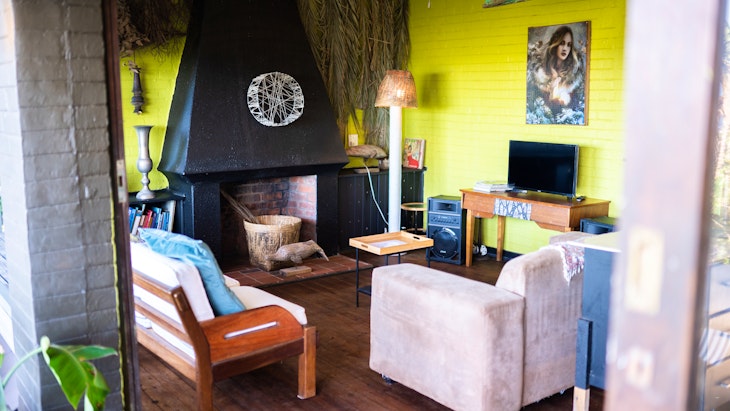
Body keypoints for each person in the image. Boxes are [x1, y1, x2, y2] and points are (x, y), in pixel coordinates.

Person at [526, 25, 586, 124]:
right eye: (562, 43)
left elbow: (571, 108)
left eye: (569, 45)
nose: (565, 48)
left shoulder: (572, 78)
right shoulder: (541, 74)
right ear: (555, 44)